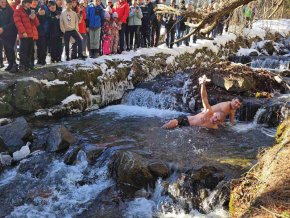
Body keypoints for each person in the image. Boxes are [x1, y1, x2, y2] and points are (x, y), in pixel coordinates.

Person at [14, 0, 40, 72]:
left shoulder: (31, 11)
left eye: (30, 3)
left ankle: (27, 65)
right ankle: (22, 66)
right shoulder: (18, 11)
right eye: (28, 3)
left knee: (30, 51)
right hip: (24, 35)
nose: (29, 4)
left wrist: (34, 17)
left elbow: (37, 24)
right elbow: (18, 22)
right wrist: (23, 32)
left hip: (31, 35)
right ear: (24, 3)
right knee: (23, 51)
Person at [0, 0, 18, 72]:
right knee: (6, 48)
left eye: (5, 2)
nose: (4, 4)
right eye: (2, 2)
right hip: (3, 33)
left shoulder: (10, 10)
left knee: (10, 48)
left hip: (11, 32)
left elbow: (12, 22)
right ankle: (10, 64)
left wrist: (3, 28)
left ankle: (14, 64)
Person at [31, 0, 49, 66]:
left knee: (42, 47)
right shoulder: (27, 7)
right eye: (34, 1)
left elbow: (48, 14)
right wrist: (38, 14)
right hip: (31, 31)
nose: (35, 2)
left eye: (36, 1)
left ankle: (41, 60)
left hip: (41, 30)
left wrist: (44, 13)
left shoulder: (42, 7)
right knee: (31, 48)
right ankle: (31, 62)